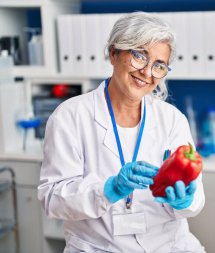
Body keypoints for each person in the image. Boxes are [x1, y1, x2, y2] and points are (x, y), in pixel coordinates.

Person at [38, 12, 205, 253]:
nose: (147, 73)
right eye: (139, 56)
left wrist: (186, 200)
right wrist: (108, 189)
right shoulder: (70, 117)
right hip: (100, 248)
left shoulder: (172, 120)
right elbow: (52, 199)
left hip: (169, 246)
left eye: (159, 65)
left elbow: (196, 196)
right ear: (114, 53)